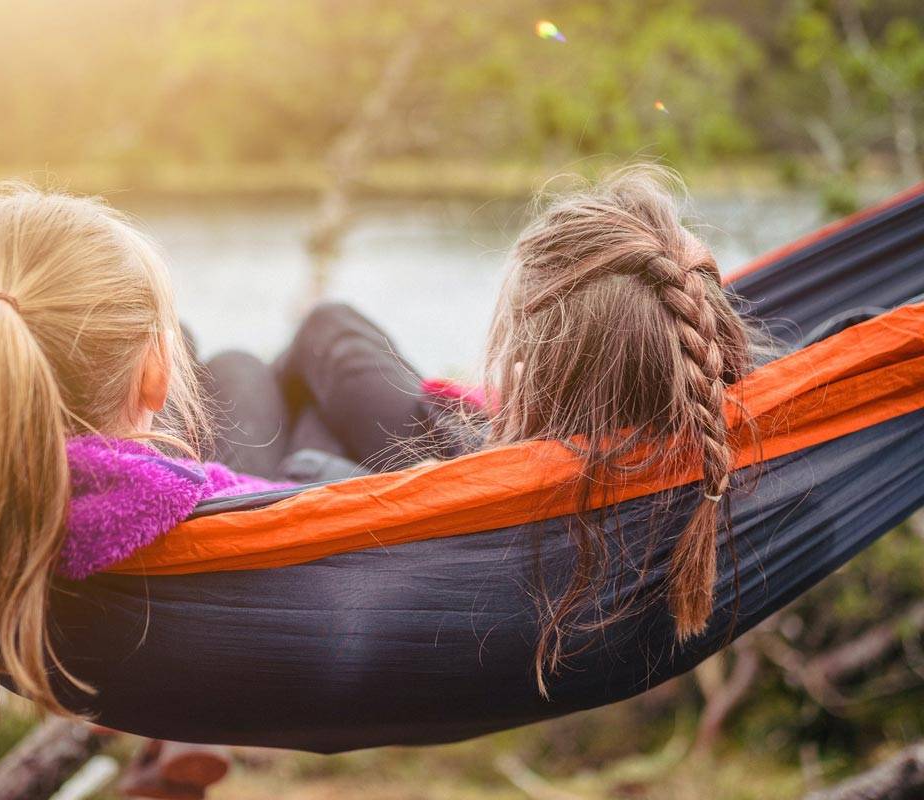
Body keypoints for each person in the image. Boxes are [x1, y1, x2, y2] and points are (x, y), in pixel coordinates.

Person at [266, 166, 763, 690]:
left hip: (466, 480)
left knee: (292, 354)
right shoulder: (749, 438)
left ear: (536, 368)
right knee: (320, 354)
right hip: (507, 455)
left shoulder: (522, 502)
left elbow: (304, 470)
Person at [0, 182, 282, 798]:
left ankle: (176, 744)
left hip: (128, 637)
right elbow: (301, 506)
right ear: (156, 376)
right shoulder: (188, 496)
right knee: (273, 357)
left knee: (224, 362)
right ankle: (185, 734)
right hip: (230, 592)